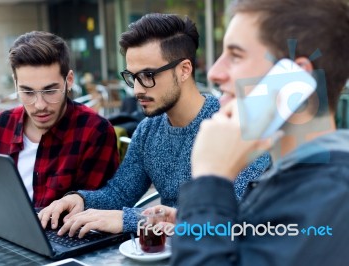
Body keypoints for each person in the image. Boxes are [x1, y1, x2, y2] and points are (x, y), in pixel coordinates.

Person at [38, 13, 270, 238]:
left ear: (184, 70)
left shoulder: (233, 127)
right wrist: (79, 200)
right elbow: (121, 192)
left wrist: (129, 220)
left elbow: (232, 218)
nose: (137, 89)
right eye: (133, 76)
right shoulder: (149, 129)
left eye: (148, 75)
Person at [169, 0, 349, 265]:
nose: (215, 72)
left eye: (236, 55)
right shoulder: (303, 178)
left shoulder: (331, 197)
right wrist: (205, 217)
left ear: (295, 82)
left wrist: (209, 181)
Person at [0, 31, 120, 223]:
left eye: (50, 90)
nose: (39, 105)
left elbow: (95, 212)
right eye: (27, 92)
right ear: (15, 84)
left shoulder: (94, 131)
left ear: (69, 80)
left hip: (65, 243)